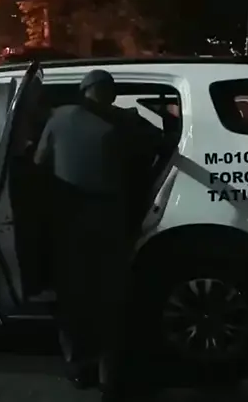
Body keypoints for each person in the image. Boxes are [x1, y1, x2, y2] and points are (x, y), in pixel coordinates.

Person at [33, 70, 161, 402]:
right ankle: (109, 376)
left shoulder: (59, 118)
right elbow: (156, 150)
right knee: (110, 300)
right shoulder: (126, 122)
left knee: (73, 298)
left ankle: (78, 367)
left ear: (83, 90)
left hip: (69, 222)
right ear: (111, 93)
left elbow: (38, 165)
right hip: (111, 220)